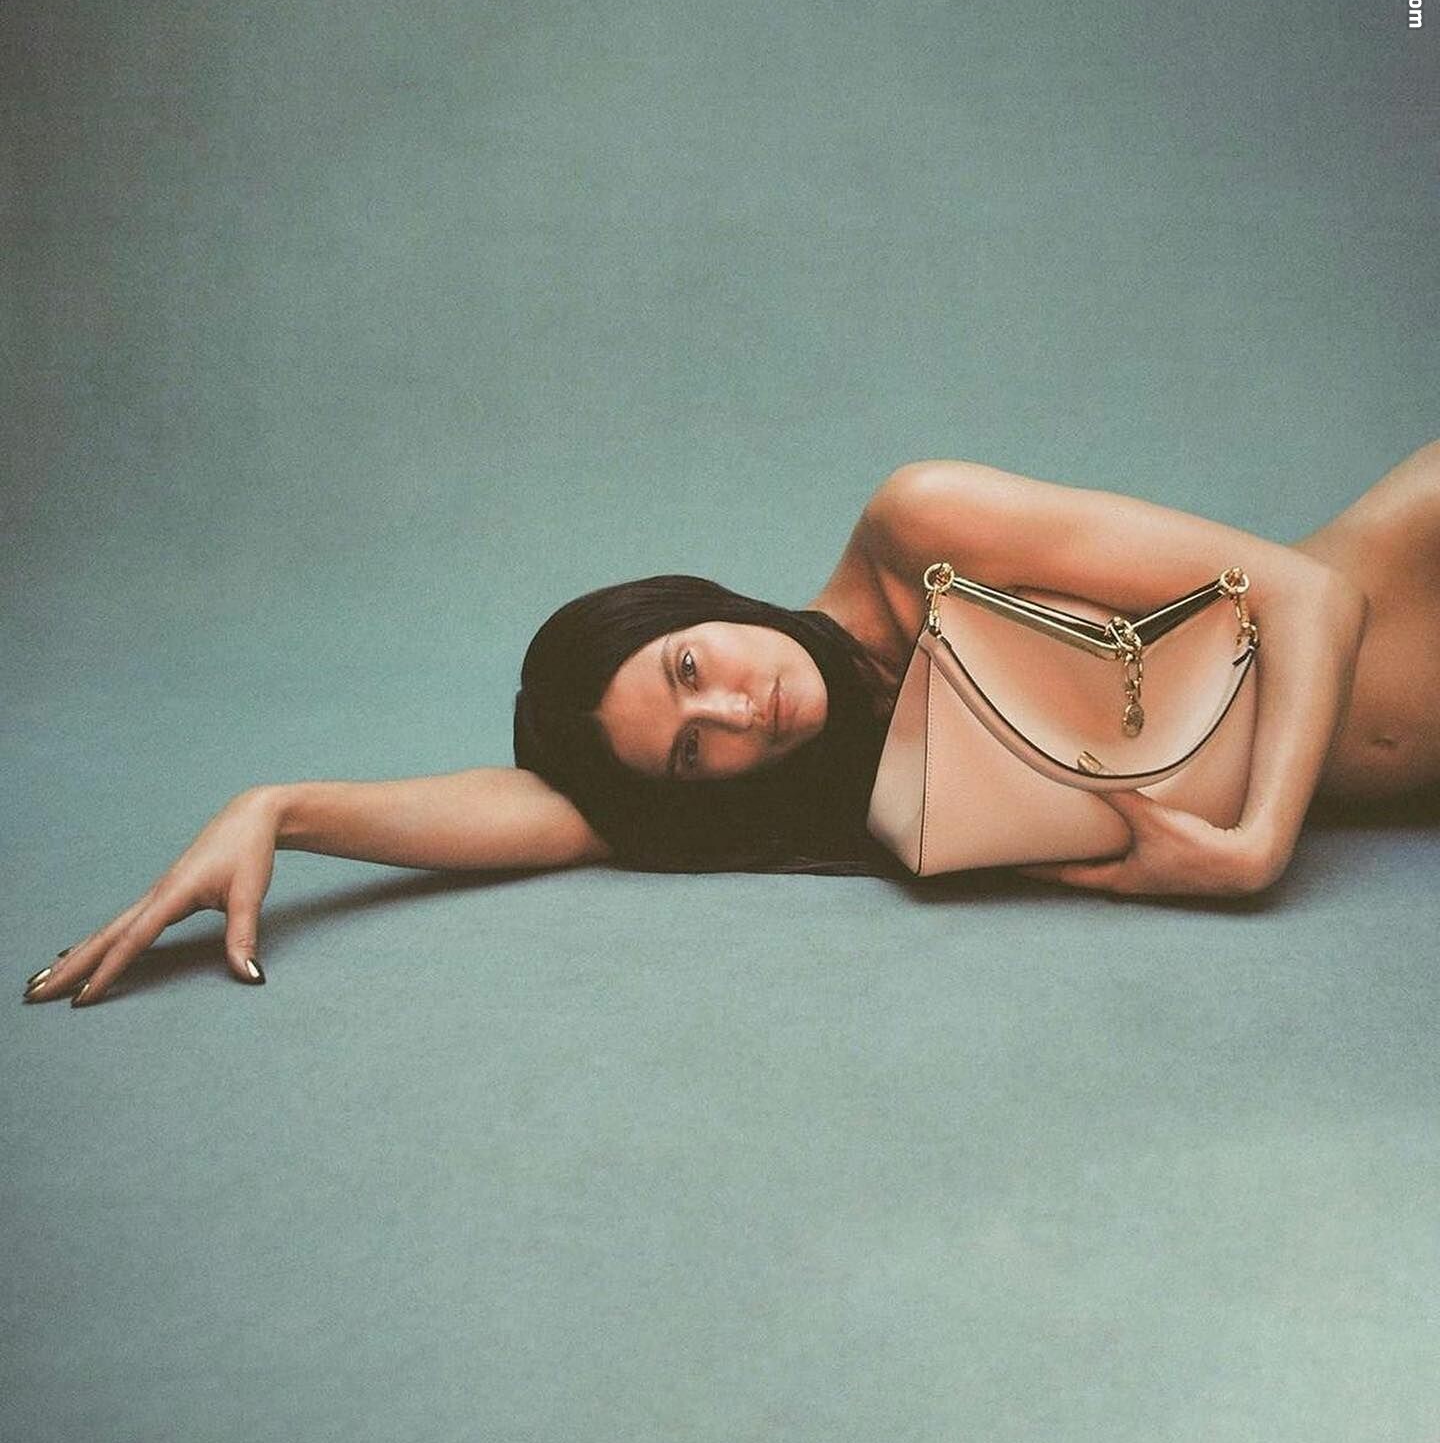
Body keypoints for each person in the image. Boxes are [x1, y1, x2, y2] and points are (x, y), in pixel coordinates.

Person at [22, 444, 1440, 1008]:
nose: (733, 706)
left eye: (690, 663)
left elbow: (1311, 597)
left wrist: (1253, 851)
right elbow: (551, 811)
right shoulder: (812, 783)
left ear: (698, 605)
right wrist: (279, 808)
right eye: (695, 746)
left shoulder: (919, 525)